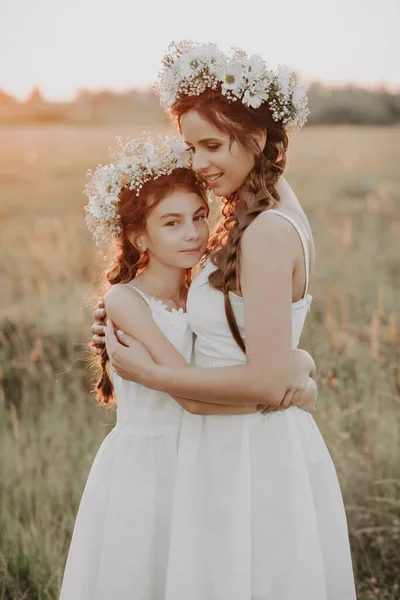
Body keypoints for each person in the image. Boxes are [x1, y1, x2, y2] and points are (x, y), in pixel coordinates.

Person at [98, 43, 357, 599]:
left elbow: (264, 379)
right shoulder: (267, 212)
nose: (199, 162)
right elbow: (273, 354)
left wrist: (148, 374)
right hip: (235, 442)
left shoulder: (264, 232)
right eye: (192, 146)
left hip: (248, 450)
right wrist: (300, 367)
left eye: (212, 145)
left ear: (257, 136)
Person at [61, 134, 316, 600]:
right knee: (147, 575)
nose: (194, 234)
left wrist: (300, 361)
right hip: (150, 465)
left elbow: (234, 351)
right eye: (172, 223)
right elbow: (189, 394)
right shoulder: (124, 299)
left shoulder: (199, 287)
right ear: (139, 236)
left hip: (198, 458)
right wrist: (285, 395)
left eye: (199, 217)